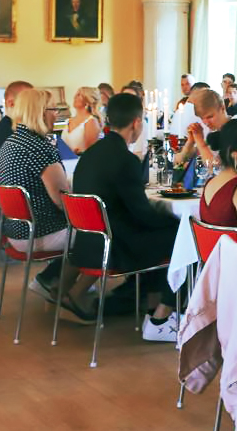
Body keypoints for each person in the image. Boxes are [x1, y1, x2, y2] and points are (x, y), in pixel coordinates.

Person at [72, 93, 182, 342]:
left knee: (165, 233)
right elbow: (142, 214)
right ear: (136, 122)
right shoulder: (125, 159)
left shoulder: (91, 153)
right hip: (116, 246)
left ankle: (151, 301)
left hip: (89, 239)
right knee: (180, 235)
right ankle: (161, 314)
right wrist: (174, 222)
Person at [0, 89, 97, 323]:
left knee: (89, 228)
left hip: (16, 229)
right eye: (53, 109)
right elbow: (63, 201)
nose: (57, 115)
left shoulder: (10, 143)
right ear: (40, 112)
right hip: (39, 231)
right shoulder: (40, 147)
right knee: (103, 232)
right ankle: (70, 296)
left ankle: (53, 283)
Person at [0, 80, 33, 231]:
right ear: (11, 103)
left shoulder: (0, 130)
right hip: (12, 216)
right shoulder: (15, 136)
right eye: (29, 101)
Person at [62, 87, 101, 154]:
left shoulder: (91, 121)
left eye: (79, 95)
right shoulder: (68, 121)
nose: (74, 97)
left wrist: (79, 152)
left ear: (87, 100)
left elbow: (91, 152)